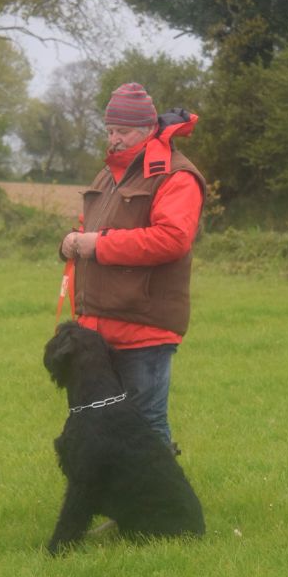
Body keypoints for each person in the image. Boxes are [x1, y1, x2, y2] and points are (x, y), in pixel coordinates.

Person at [60, 82, 206, 454]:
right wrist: (72, 242)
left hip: (145, 325)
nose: (114, 139)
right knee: (103, 421)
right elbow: (89, 226)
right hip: (98, 321)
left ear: (147, 129)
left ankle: (161, 506)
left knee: (145, 421)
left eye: (122, 131)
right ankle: (127, 502)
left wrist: (99, 245)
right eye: (110, 130)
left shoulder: (177, 175)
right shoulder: (110, 172)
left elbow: (172, 239)